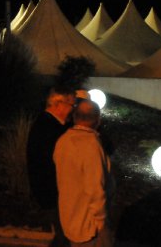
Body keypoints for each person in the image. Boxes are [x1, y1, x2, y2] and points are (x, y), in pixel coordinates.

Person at [54, 98, 115, 246]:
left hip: (70, 217)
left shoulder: (63, 141)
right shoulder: (90, 145)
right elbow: (95, 189)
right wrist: (101, 222)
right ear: (98, 120)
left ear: (75, 117)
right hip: (88, 224)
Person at [26, 88, 76, 247]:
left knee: (63, 236)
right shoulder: (49, 129)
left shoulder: (50, 124)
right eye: (71, 104)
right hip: (53, 193)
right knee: (64, 237)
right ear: (58, 104)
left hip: (52, 192)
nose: (73, 109)